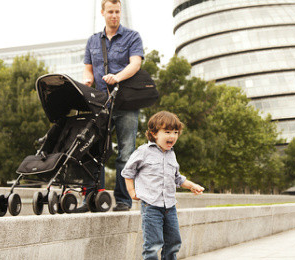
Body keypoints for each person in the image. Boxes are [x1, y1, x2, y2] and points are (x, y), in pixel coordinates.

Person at [81, 0, 144, 212]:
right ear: (103, 13)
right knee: (92, 150)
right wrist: (87, 81)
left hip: (126, 102)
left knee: (125, 153)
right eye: (111, 11)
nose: (115, 15)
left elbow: (135, 64)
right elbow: (88, 69)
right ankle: (91, 199)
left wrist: (117, 77)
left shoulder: (132, 37)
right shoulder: (92, 41)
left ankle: (124, 201)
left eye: (117, 11)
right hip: (100, 103)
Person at [122, 111, 205, 259]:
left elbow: (178, 178)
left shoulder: (171, 154)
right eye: (167, 132)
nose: (172, 136)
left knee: (174, 242)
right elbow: (128, 172)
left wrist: (192, 185)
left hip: (170, 207)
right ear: (154, 133)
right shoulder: (144, 151)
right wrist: (131, 191)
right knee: (153, 244)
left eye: (175, 132)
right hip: (151, 206)